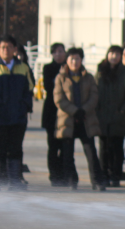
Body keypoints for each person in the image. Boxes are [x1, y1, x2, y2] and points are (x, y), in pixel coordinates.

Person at [0, 34, 33, 191]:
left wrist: (23, 108)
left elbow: (29, 91)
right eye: (2, 47)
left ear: (15, 49)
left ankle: (14, 181)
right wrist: (0, 108)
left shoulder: (23, 68)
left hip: (18, 117)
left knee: (15, 149)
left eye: (9, 47)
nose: (5, 50)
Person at [53, 48, 104, 191]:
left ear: (82, 60)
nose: (74, 62)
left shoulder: (88, 77)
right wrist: (74, 111)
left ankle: (97, 181)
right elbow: (59, 99)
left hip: (86, 119)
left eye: (77, 59)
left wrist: (83, 110)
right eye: (71, 59)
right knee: (67, 153)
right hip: (68, 120)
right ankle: (71, 180)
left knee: (91, 151)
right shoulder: (60, 78)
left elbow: (94, 96)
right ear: (67, 61)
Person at [95, 46, 125, 187]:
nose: (114, 56)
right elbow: (94, 92)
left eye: (117, 54)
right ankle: (103, 175)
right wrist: (97, 111)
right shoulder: (100, 72)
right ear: (107, 55)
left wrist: (123, 111)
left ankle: (116, 175)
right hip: (102, 116)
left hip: (118, 117)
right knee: (103, 148)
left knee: (117, 148)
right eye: (111, 53)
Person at [42, 43, 69, 185]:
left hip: (66, 112)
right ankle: (54, 174)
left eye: (61, 51)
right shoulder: (48, 68)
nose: (58, 54)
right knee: (53, 146)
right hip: (51, 111)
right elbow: (48, 87)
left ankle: (64, 173)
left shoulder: (69, 68)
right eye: (55, 52)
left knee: (65, 145)